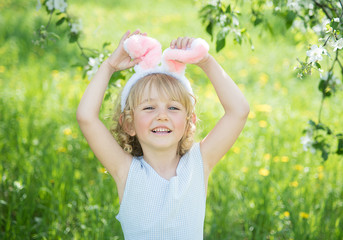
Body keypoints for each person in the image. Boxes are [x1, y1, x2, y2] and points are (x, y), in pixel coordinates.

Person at [76, 29, 250, 239]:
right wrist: (110, 66)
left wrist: (205, 61)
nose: (162, 116)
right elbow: (86, 117)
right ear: (129, 124)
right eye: (149, 108)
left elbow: (239, 111)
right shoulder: (126, 171)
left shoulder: (198, 163)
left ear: (189, 123)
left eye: (173, 108)